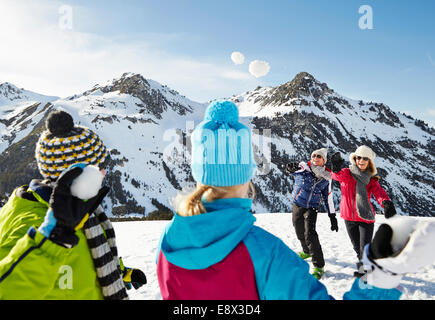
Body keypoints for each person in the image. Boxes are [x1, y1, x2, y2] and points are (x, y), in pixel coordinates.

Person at [155, 100, 411, 300]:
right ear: (247, 172)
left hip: (333, 212)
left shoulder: (168, 243)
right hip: (317, 212)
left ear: (199, 170)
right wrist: (380, 280)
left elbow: (332, 185)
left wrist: (332, 212)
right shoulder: (266, 253)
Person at [0, 110, 146, 299]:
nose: (103, 174)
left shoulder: (79, 214)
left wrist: (122, 273)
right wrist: (50, 240)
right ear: (75, 176)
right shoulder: (33, 222)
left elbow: (88, 258)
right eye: (98, 169)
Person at [330, 146, 397, 277]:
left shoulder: (371, 178)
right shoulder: (346, 173)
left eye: (365, 158)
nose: (361, 160)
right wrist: (336, 167)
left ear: (369, 161)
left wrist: (386, 202)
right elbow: (336, 176)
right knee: (357, 248)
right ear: (354, 158)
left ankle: (365, 272)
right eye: (358, 157)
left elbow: (379, 192)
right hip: (348, 217)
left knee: (364, 248)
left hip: (365, 217)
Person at [284, 148, 338, 279]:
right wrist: (290, 168)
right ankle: (306, 251)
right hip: (298, 204)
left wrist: (332, 216)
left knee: (310, 234)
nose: (315, 158)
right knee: (299, 230)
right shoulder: (303, 168)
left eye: (319, 156)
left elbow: (328, 196)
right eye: (313, 155)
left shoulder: (327, 177)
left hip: (312, 208)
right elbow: (293, 169)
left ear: (324, 160)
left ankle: (319, 266)